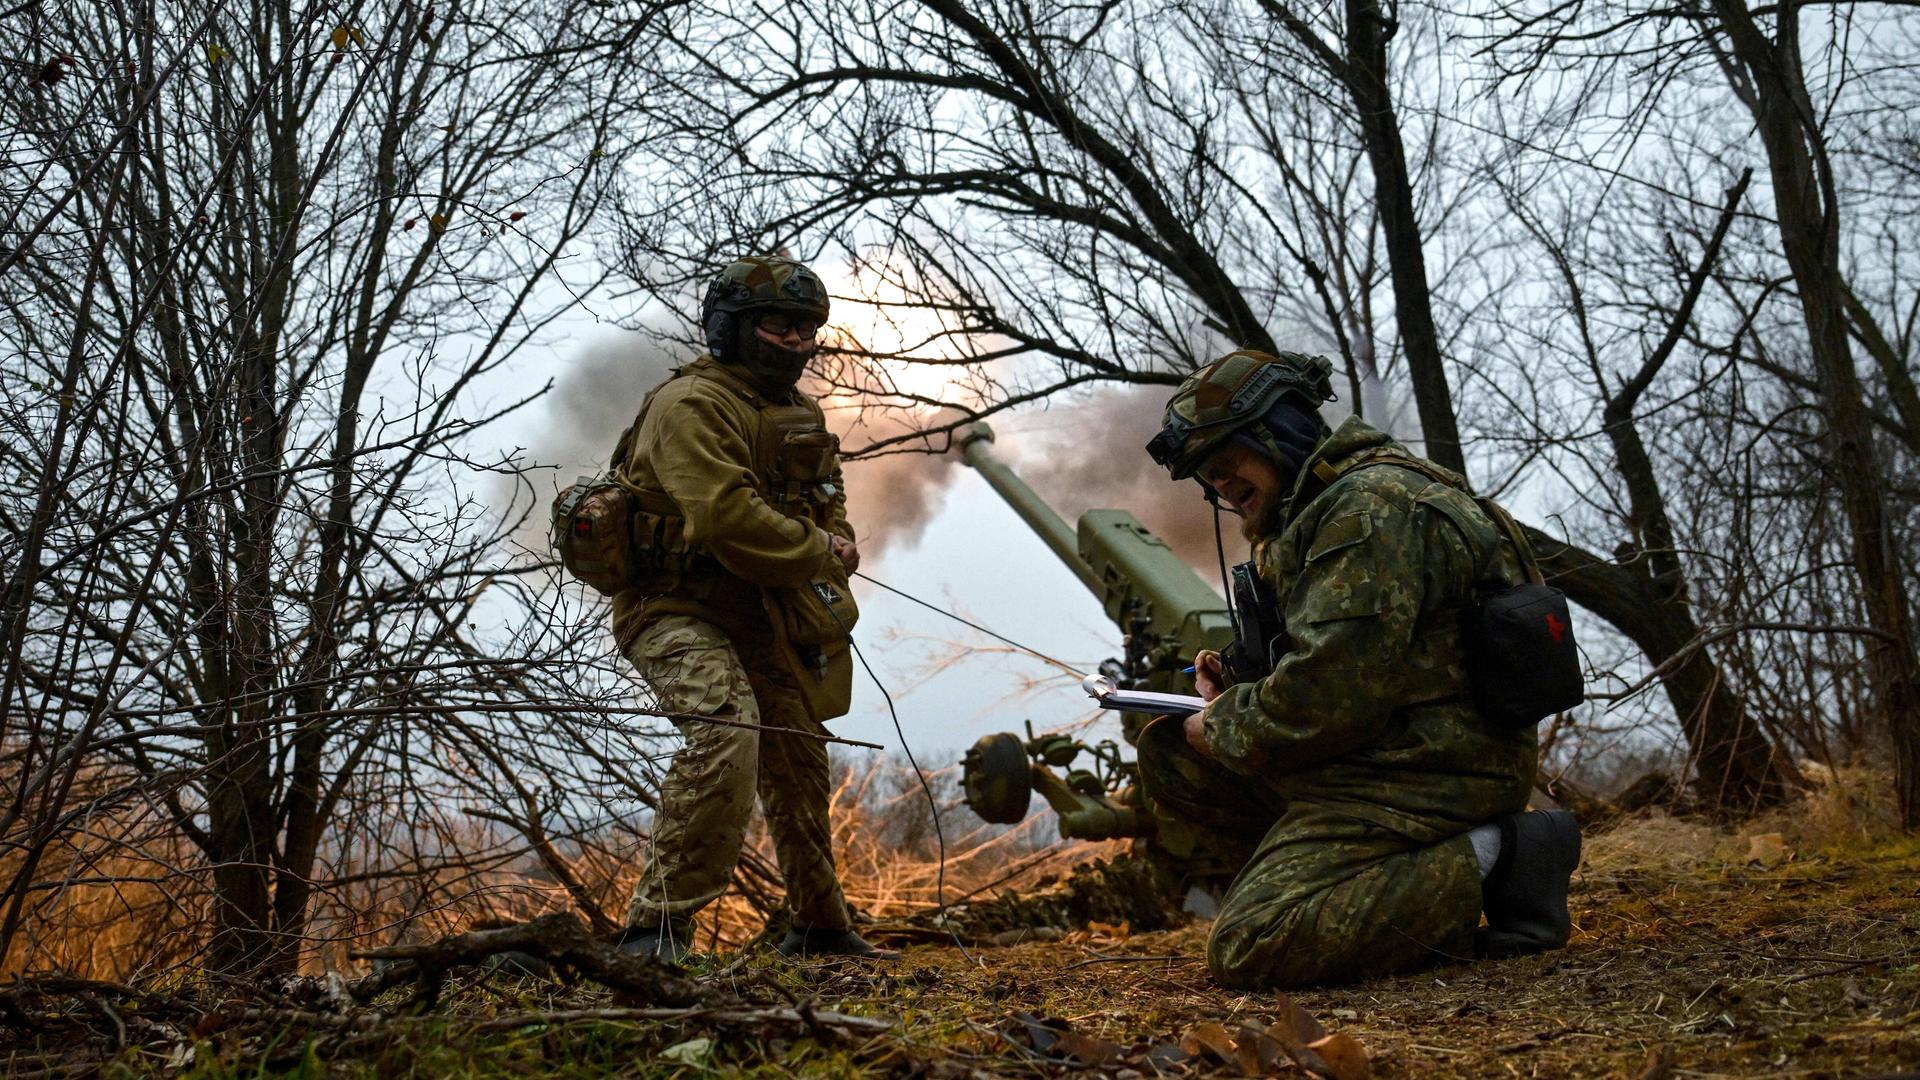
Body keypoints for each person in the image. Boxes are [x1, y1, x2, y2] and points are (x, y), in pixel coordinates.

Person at [1138, 348, 1582, 989]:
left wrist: (1228, 720)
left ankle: (1503, 852)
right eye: (1206, 476)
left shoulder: (1366, 511)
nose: (1218, 488)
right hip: (1396, 747)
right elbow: (1353, 660)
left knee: (1249, 946)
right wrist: (1236, 689)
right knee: (1175, 756)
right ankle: (1341, 882)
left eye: (1225, 463)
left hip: (1431, 769)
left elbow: (1331, 694)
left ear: (1276, 432)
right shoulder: (1329, 504)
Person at [608, 255, 895, 962]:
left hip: (765, 609)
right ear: (730, 328)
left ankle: (819, 927)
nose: (794, 343)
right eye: (777, 325)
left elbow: (829, 498)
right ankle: (655, 933)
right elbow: (726, 516)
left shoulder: (800, 414)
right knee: (725, 733)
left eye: (805, 329)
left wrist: (837, 541)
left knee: (799, 753)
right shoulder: (690, 406)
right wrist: (823, 549)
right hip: (672, 605)